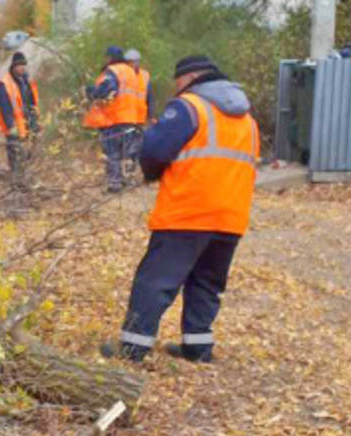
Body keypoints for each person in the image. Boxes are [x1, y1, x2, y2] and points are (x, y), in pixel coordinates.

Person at [100, 55, 260, 363]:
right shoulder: (248, 120)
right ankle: (198, 349)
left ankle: (132, 348)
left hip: (188, 212)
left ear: (188, 79)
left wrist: (150, 173)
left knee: (155, 281)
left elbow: (154, 150)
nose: (177, 89)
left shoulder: (189, 107)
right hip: (230, 217)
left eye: (178, 84)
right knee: (206, 283)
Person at [83, 45, 140, 192]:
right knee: (127, 153)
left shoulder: (113, 71)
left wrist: (90, 92)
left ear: (110, 58)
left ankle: (115, 185)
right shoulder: (131, 72)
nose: (105, 59)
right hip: (130, 119)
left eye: (107, 57)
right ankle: (127, 180)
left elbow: (107, 91)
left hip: (113, 119)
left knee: (112, 153)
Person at [0, 51, 40, 174]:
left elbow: (32, 102)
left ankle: (24, 178)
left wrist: (35, 122)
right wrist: (11, 126)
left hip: (28, 123)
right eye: (19, 65)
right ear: (13, 66)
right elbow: (5, 108)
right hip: (14, 125)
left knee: (29, 154)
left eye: (23, 65)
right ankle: (16, 180)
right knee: (15, 156)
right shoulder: (5, 83)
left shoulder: (27, 81)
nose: (22, 67)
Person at [122, 48, 154, 166]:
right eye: (130, 61)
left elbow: (150, 97)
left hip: (140, 117)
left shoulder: (144, 76)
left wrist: (152, 115)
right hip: (125, 118)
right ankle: (126, 173)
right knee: (127, 145)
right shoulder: (122, 75)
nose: (133, 64)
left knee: (137, 145)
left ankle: (131, 171)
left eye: (135, 61)